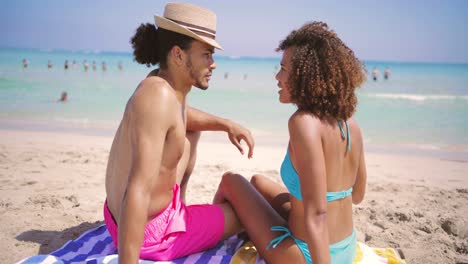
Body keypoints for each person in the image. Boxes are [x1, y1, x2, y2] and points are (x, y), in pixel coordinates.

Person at [103, 2, 254, 263]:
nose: (213, 64)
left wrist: (226, 124)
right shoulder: (157, 96)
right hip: (150, 235)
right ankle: (180, 222)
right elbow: (137, 187)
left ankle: (179, 209)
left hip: (121, 218)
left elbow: (181, 116)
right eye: (207, 54)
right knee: (247, 213)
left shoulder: (163, 85)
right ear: (179, 55)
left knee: (191, 131)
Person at [214, 21, 367, 264]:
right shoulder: (351, 124)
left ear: (305, 76)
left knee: (230, 181)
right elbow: (357, 195)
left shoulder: (302, 122)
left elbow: (317, 214)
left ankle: (217, 244)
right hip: (345, 247)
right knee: (258, 183)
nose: (277, 76)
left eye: (284, 69)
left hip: (309, 255)